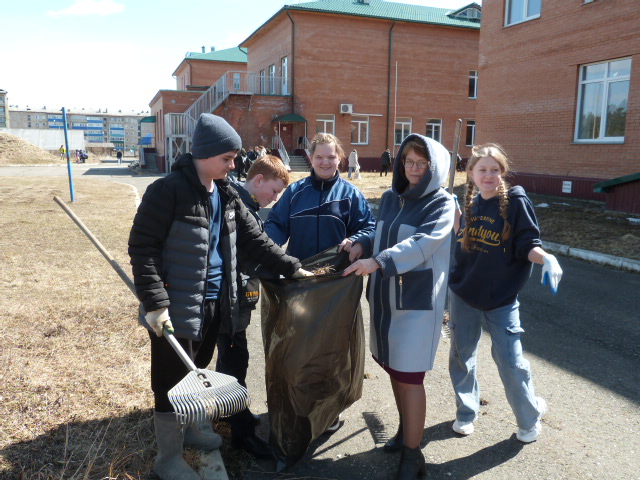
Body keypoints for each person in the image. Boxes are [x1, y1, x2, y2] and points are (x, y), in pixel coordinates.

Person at [128, 113, 310, 480]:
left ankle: (195, 428)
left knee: (198, 370)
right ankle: (168, 458)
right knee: (169, 381)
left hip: (214, 301)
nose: (233, 165)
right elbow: (142, 248)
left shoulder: (225, 194)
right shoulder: (168, 191)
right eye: (227, 158)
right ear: (206, 154)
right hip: (175, 306)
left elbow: (255, 242)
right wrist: (155, 303)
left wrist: (293, 267)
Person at [343, 135, 455, 480]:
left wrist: (378, 261)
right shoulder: (392, 197)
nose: (414, 170)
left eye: (422, 164)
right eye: (408, 162)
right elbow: (382, 231)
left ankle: (412, 455)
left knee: (409, 376)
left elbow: (420, 244)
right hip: (385, 299)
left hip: (416, 305)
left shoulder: (442, 203)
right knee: (394, 369)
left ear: (435, 167)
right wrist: (361, 242)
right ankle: (407, 431)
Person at [447, 143, 563, 445]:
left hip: (501, 299)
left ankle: (529, 419)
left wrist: (546, 258)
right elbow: (463, 242)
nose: (488, 175)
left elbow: (527, 243)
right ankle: (466, 412)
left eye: (494, 170)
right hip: (464, 294)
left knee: (511, 361)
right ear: (471, 173)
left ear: (503, 172)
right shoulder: (469, 202)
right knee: (461, 356)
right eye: (482, 169)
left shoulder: (515, 200)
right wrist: (455, 216)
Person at [216, 154, 290, 459]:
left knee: (230, 356)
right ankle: (241, 432)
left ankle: (229, 411)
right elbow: (251, 255)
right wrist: (286, 275)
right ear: (258, 181)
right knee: (236, 358)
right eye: (274, 191)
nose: (274, 198)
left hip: (235, 297)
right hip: (228, 299)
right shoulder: (239, 206)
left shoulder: (244, 203)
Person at [265, 132, 375, 263]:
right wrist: (266, 250)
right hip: (299, 273)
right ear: (311, 158)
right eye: (319, 157)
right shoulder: (294, 192)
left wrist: (357, 241)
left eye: (331, 157)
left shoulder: (351, 194)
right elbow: (276, 225)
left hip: (338, 275)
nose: (325, 162)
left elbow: (369, 228)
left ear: (339, 158)